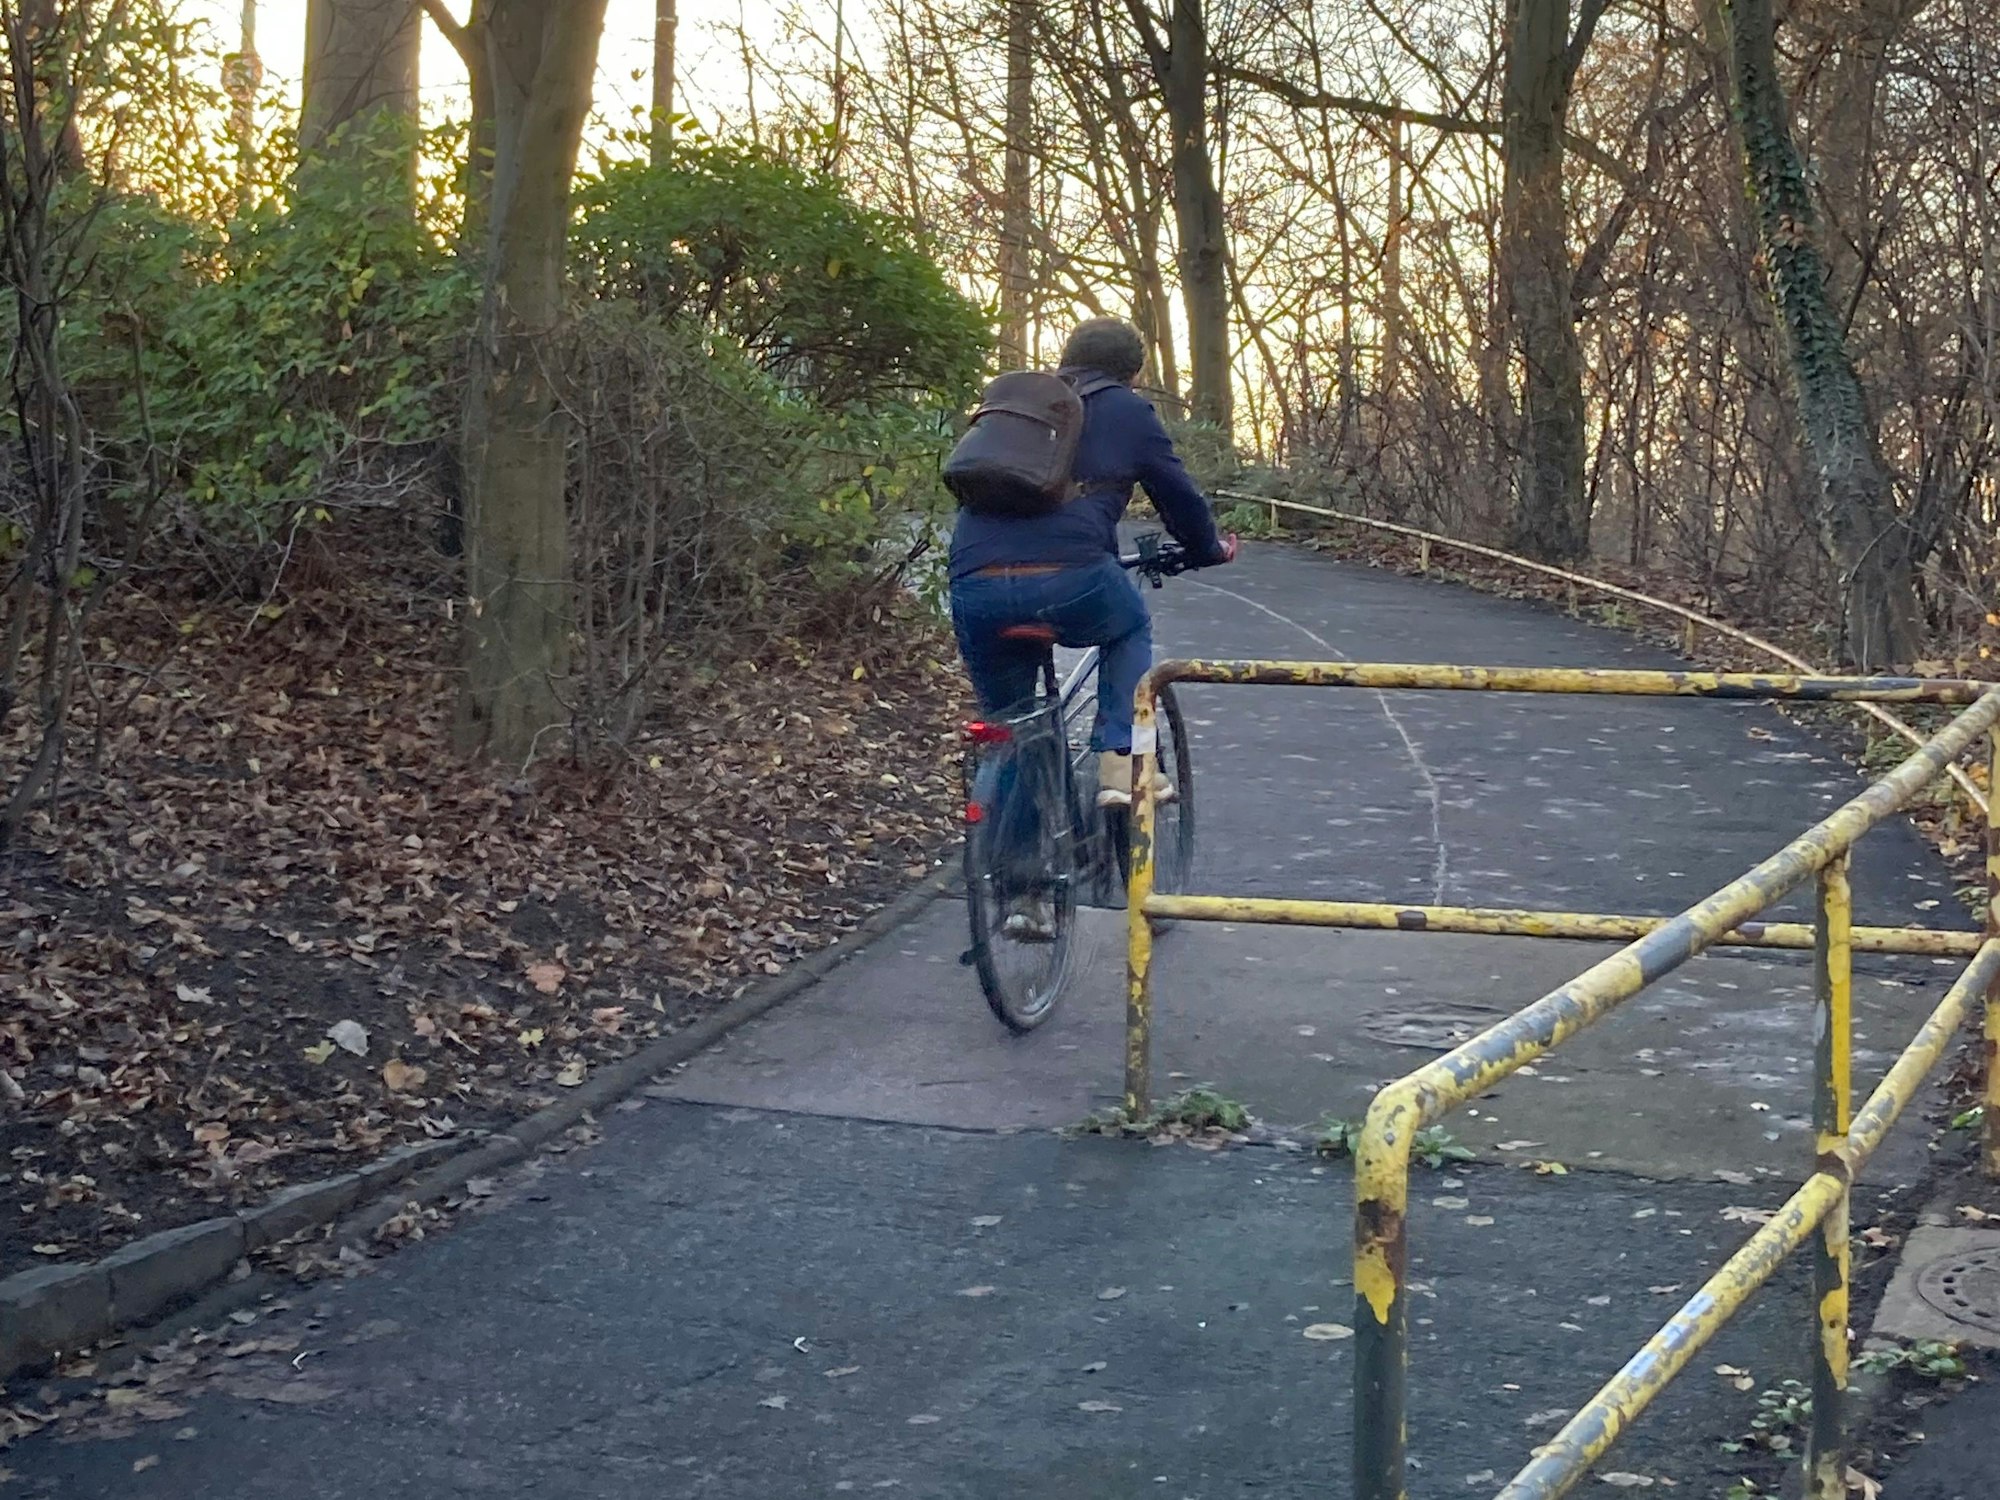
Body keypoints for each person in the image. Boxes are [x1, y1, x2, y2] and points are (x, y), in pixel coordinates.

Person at [948, 317, 1236, 811]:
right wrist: (1208, 549)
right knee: (1128, 626)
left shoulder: (1020, 409)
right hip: (1070, 579)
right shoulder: (1126, 409)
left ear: (1066, 359)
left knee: (1012, 725)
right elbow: (1178, 496)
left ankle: (1012, 871)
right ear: (1135, 373)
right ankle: (1120, 764)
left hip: (975, 584)